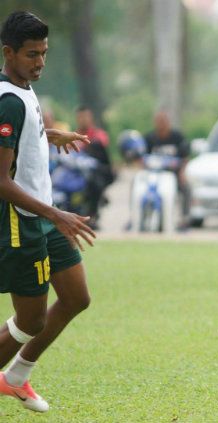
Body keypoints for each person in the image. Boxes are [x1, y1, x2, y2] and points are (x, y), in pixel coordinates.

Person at [0, 11, 96, 412]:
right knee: (31, 321)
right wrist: (57, 215)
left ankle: (16, 377)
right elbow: (1, 181)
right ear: (8, 52)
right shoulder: (8, 101)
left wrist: (47, 134)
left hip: (43, 214)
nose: (40, 62)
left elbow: (21, 137)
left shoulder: (23, 87)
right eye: (31, 54)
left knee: (76, 297)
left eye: (44, 53)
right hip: (22, 220)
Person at [144, 111, 191, 228]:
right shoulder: (149, 138)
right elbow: (142, 158)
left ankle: (185, 218)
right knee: (136, 185)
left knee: (186, 188)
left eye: (164, 121)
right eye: (159, 121)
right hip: (153, 175)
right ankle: (136, 217)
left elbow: (185, 157)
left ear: (168, 122)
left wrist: (182, 172)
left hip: (172, 174)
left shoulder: (177, 137)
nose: (161, 124)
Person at [74, 105, 114, 229]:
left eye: (86, 116)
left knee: (94, 183)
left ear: (91, 118)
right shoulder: (73, 134)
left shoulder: (98, 135)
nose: (83, 119)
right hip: (76, 170)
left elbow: (101, 145)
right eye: (81, 117)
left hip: (97, 172)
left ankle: (92, 214)